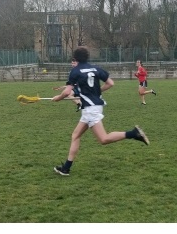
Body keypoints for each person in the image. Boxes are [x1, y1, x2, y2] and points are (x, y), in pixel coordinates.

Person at [51, 47, 150, 175]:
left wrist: (57, 99)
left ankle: (133, 133)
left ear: (75, 58)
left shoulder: (75, 71)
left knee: (103, 139)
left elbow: (66, 92)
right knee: (75, 136)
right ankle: (66, 168)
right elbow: (110, 83)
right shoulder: (96, 68)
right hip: (91, 108)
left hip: (91, 109)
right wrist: (96, 92)